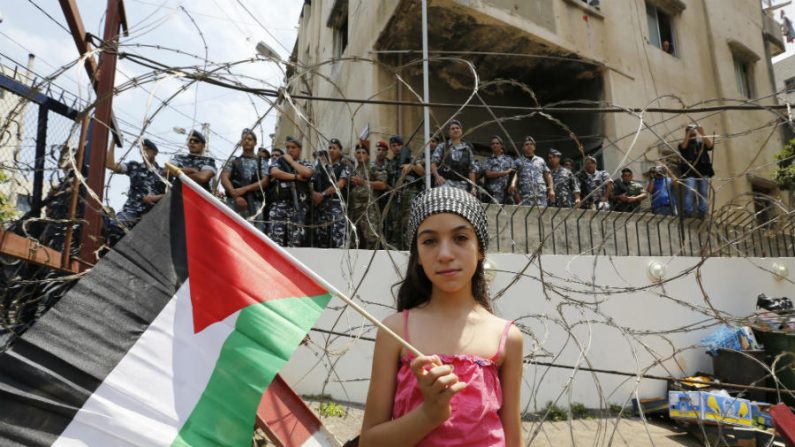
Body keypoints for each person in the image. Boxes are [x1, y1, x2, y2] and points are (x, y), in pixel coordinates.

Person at [360, 187, 523, 446]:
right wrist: (429, 414)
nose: (445, 254)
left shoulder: (507, 337)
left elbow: (512, 438)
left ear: (480, 249)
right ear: (418, 257)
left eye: (460, 238)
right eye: (429, 241)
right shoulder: (395, 332)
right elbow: (370, 441)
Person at [106, 138, 166, 229]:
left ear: (155, 153)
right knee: (114, 227)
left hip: (153, 215)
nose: (144, 152)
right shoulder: (134, 167)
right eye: (142, 150)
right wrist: (113, 142)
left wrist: (154, 198)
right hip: (131, 211)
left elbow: (172, 194)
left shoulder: (163, 173)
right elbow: (111, 165)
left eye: (147, 150)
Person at [268, 136, 314, 247]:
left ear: (299, 149)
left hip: (297, 207)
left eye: (293, 147)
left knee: (295, 242)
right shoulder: (279, 162)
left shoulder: (305, 163)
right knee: (275, 241)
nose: (290, 150)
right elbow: (274, 172)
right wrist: (295, 177)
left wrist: (291, 162)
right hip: (279, 206)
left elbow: (307, 173)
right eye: (287, 147)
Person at [220, 129, 270, 231]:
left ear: (255, 142)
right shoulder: (233, 160)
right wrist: (235, 195)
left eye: (249, 139)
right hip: (234, 202)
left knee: (256, 232)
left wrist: (245, 189)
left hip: (255, 203)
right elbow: (224, 178)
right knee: (232, 230)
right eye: (244, 139)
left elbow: (265, 181)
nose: (246, 141)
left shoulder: (261, 162)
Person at [311, 138, 351, 248]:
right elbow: (312, 181)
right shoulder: (322, 167)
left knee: (338, 239)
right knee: (322, 240)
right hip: (322, 208)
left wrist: (322, 194)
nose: (331, 150)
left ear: (340, 151)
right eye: (329, 148)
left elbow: (340, 184)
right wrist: (314, 193)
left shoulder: (345, 166)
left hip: (336, 206)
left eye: (334, 148)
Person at [388, 135, 425, 250]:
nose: (396, 148)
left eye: (398, 145)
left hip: (410, 194)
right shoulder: (391, 163)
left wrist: (412, 167)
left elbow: (423, 172)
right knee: (396, 226)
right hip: (396, 196)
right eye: (393, 146)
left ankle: (411, 250)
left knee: (409, 224)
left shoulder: (411, 157)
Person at [349, 142, 388, 249]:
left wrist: (364, 182)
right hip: (356, 210)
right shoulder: (355, 171)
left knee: (373, 238)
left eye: (363, 152)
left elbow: (382, 184)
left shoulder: (373, 167)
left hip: (369, 209)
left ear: (368, 155)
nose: (360, 154)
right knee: (356, 240)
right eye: (358, 152)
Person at [431, 120, 478, 194]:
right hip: (444, 184)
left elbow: (471, 170)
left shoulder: (467, 150)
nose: (455, 130)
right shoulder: (442, 146)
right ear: (449, 132)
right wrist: (437, 177)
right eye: (452, 129)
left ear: (461, 131)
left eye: (457, 128)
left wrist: (473, 188)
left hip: (462, 187)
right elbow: (433, 163)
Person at [678, 123, 714, 218]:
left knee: (703, 192)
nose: (693, 134)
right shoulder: (684, 144)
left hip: (703, 172)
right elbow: (683, 147)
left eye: (694, 133)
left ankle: (702, 213)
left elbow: (710, 146)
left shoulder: (701, 143)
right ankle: (688, 213)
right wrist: (688, 133)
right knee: (690, 191)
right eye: (691, 132)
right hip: (690, 172)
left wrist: (702, 133)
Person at [508, 136, 554, 207]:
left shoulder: (541, 160)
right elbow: (514, 177)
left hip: (540, 196)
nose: (529, 146)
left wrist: (551, 189)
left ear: (534, 147)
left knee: (542, 217)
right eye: (526, 144)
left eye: (531, 144)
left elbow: (548, 175)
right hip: (525, 196)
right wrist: (516, 196)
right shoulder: (518, 161)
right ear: (523, 148)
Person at [482, 136, 514, 204]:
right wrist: (505, 172)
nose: (495, 145)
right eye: (493, 144)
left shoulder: (509, 159)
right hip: (492, 194)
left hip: (506, 194)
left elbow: (514, 173)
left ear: (501, 145)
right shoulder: (488, 160)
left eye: (497, 143)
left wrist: (512, 184)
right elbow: (488, 174)